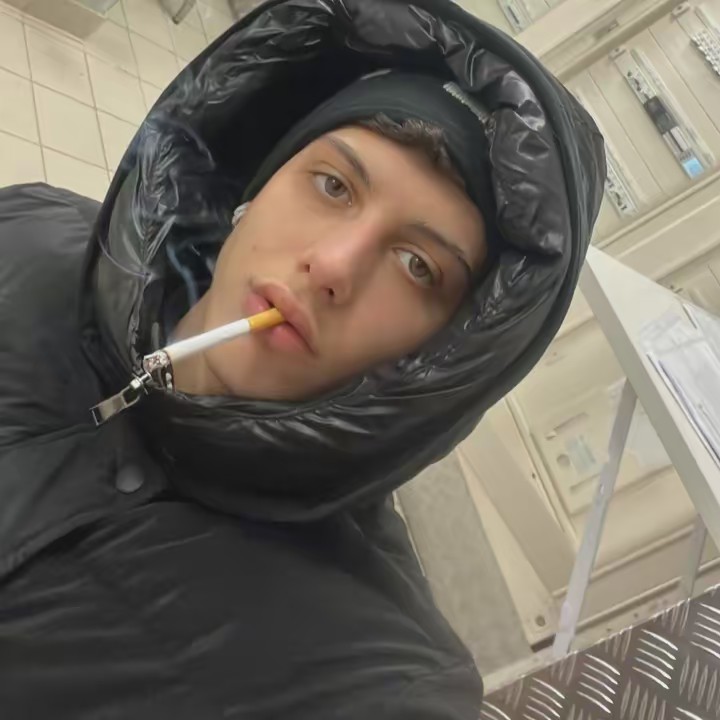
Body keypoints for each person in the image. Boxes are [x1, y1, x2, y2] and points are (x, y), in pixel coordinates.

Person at [0, 0, 606, 717]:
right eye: (333, 185)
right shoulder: (31, 226)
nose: (334, 266)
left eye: (417, 265)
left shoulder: (365, 676)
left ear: (440, 351)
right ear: (255, 190)